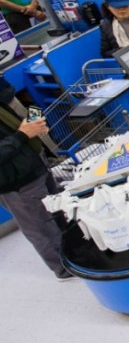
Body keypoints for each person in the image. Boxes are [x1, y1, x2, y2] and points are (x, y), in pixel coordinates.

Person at [0, 86, 72, 280]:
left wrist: (35, 122)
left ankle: (76, 252)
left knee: (59, 214)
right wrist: (23, 135)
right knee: (41, 226)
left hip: (35, 162)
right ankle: (64, 266)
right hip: (16, 181)